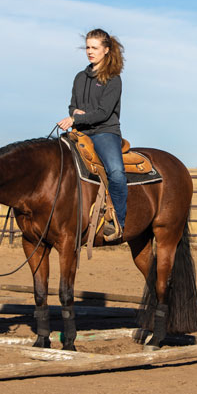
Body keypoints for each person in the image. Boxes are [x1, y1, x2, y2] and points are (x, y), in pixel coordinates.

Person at [57, 28, 127, 241]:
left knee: (116, 172)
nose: (90, 51)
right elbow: (73, 106)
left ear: (106, 50)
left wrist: (76, 118)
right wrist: (74, 114)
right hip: (80, 133)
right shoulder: (80, 77)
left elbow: (103, 113)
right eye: (88, 47)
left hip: (105, 132)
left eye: (94, 48)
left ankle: (118, 221)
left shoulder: (113, 79)